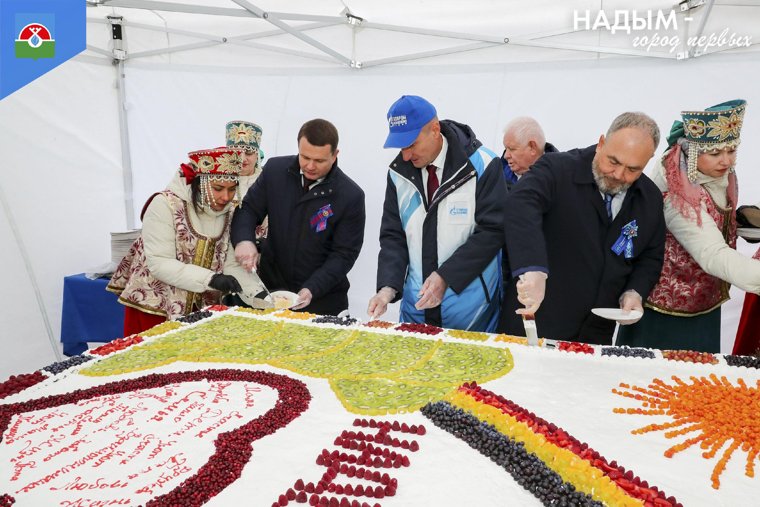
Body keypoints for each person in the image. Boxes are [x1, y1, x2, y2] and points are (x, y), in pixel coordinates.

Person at [501, 112, 666, 345]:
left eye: (633, 169)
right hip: (538, 323)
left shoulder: (649, 199)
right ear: (601, 143)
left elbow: (651, 256)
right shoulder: (558, 168)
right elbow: (520, 205)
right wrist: (533, 269)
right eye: (614, 161)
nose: (619, 175)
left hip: (595, 333)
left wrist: (635, 291)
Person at [617, 100, 760, 353]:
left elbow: (716, 221)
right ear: (691, 151)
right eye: (715, 153)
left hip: (704, 304)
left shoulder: (720, 173)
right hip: (666, 314)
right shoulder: (677, 193)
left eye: (731, 150)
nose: (726, 160)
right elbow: (713, 254)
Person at [367, 95, 506, 332]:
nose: (406, 156)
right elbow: (393, 236)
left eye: (411, 145)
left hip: (472, 313)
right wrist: (387, 288)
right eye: (401, 147)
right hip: (415, 311)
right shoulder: (397, 174)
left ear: (434, 129)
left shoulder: (483, 164)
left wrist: (446, 276)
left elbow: (494, 230)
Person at [108, 147, 268, 336]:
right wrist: (211, 279)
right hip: (156, 308)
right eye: (218, 189)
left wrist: (260, 297)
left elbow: (232, 263)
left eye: (232, 189)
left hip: (199, 309)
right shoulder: (164, 205)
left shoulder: (231, 211)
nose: (225, 197)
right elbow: (159, 262)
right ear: (200, 184)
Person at [231, 118, 365, 316]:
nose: (310, 166)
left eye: (319, 160)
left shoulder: (350, 195)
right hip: (272, 293)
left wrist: (313, 288)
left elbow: (344, 254)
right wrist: (244, 240)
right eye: (304, 157)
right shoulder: (275, 171)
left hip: (322, 300)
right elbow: (248, 209)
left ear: (335, 155)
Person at [226, 120, 268, 237]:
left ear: (257, 155)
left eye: (248, 153)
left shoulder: (267, 181)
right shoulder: (216, 179)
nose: (242, 159)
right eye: (237, 153)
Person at [500, 116, 558, 190]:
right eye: (506, 148)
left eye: (512, 149)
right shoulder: (497, 177)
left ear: (532, 147)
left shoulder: (562, 179)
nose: (505, 156)